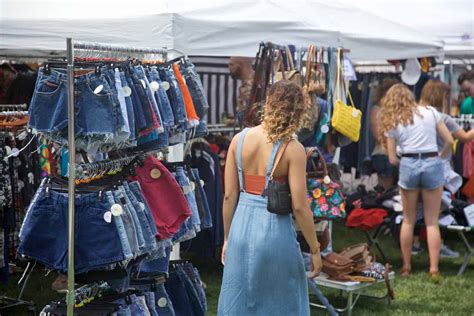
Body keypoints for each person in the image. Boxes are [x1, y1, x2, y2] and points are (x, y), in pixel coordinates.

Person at [218, 80, 322, 315]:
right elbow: (300, 206)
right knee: (282, 301)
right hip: (274, 230)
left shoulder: (239, 139)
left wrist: (227, 238)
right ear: (297, 111)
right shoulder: (293, 149)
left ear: (268, 103)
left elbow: (229, 196)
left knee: (239, 301)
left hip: (240, 229)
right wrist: (315, 250)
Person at [380, 84, 454, 279]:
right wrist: (440, 157)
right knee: (431, 222)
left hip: (409, 164)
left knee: (408, 219)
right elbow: (450, 140)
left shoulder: (394, 120)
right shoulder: (430, 112)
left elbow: (392, 159)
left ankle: (406, 267)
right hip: (431, 161)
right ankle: (434, 269)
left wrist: (405, 163)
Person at [410, 80, 474, 259]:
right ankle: (438, 251)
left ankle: (415, 245)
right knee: (436, 214)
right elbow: (464, 137)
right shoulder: (442, 118)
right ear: (440, 97)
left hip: (415, 167)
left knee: (416, 210)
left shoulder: (416, 115)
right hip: (440, 171)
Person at [370, 78, 400, 190]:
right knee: (386, 190)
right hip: (383, 154)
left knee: (391, 190)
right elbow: (378, 136)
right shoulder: (377, 110)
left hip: (391, 155)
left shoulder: (392, 110)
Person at [228, 57, 254, 123]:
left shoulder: (255, 84)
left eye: (231, 65)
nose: (229, 68)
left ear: (241, 65)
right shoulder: (243, 87)